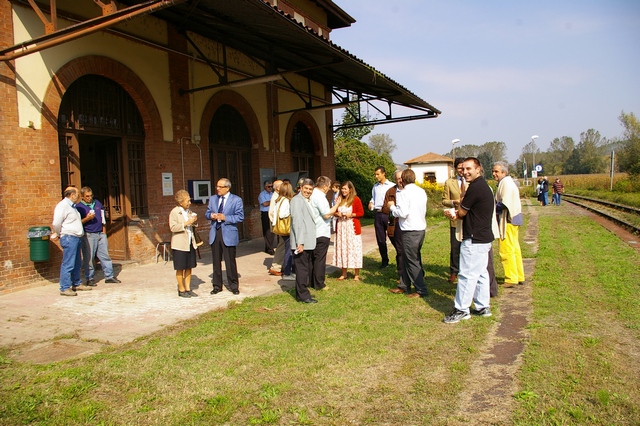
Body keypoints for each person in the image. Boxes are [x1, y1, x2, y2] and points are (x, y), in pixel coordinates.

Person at [444, 157, 495, 323]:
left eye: (469, 169)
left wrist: (453, 213)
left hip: (474, 237)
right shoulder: (484, 186)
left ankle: (461, 309)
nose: (465, 172)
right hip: (483, 236)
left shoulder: (475, 188)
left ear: (478, 169)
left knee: (466, 274)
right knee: (480, 273)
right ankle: (482, 306)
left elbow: (463, 212)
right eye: (463, 169)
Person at [388, 169, 428, 298]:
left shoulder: (404, 193)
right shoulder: (421, 191)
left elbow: (403, 213)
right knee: (407, 258)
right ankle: (404, 285)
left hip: (409, 230)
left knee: (412, 260)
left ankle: (421, 289)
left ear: (403, 180)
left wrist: (392, 207)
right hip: (420, 228)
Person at [51, 186, 92, 296]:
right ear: (72, 195)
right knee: (68, 262)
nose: (78, 196)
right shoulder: (62, 206)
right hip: (69, 237)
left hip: (76, 237)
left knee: (77, 262)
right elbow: (56, 223)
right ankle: (64, 287)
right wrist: (59, 233)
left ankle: (76, 283)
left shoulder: (72, 207)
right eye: (77, 194)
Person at [205, 178, 244, 295]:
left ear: (227, 188)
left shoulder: (236, 200)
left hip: (228, 232)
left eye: (220, 187)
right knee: (216, 261)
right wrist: (210, 215)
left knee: (229, 261)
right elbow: (206, 213)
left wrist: (225, 217)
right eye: (217, 186)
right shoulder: (213, 199)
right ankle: (217, 285)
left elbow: (240, 217)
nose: (218, 189)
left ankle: (233, 285)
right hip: (215, 232)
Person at [76, 186, 120, 286]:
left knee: (105, 255)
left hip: (100, 233)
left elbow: (103, 217)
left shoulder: (97, 203)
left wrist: (103, 230)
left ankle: (109, 276)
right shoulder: (79, 207)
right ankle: (90, 278)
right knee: (89, 257)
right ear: (82, 196)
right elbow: (77, 223)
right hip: (88, 234)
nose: (89, 198)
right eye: (87, 196)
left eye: (91, 195)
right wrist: (87, 219)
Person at [493, 162, 525, 287]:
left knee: (506, 249)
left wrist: (492, 207)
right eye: (493, 171)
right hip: (515, 219)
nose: (494, 174)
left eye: (497, 171)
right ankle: (519, 275)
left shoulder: (505, 183)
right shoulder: (508, 182)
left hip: (508, 220)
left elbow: (504, 203)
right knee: (515, 248)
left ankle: (511, 278)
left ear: (504, 172)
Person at [290, 179, 319, 303]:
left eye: (310, 189)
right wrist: (300, 242)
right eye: (306, 188)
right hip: (301, 242)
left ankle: (302, 293)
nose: (308, 191)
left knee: (305, 268)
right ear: (301, 187)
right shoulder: (297, 200)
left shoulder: (305, 200)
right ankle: (303, 296)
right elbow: (297, 223)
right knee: (302, 269)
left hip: (307, 241)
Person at [309, 176, 340, 290]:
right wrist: (337, 205)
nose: (329, 189)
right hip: (321, 231)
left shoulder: (312, 194)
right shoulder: (320, 197)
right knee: (319, 259)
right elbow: (326, 214)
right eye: (329, 186)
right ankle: (319, 283)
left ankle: (311, 281)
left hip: (313, 231)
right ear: (325, 186)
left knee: (313, 258)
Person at [169, 190, 199, 298]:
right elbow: (173, 227)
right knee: (180, 267)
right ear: (181, 202)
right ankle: (181, 289)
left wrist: (194, 221)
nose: (189, 202)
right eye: (188, 200)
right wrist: (186, 223)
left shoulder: (189, 211)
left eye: (190, 200)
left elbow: (193, 225)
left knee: (189, 266)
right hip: (179, 244)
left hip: (190, 242)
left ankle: (188, 288)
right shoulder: (174, 212)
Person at [333, 181, 364, 280]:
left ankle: (356, 274)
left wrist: (352, 214)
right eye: (342, 188)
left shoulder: (356, 199)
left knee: (354, 248)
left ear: (350, 189)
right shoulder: (339, 199)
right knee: (343, 248)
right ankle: (344, 273)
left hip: (351, 227)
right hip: (342, 227)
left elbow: (361, 212)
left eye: (345, 189)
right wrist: (337, 214)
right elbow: (334, 211)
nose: (343, 190)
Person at [442, 158, 466, 284]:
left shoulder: (470, 182)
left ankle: (465, 270)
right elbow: (444, 200)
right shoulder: (449, 182)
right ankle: (454, 271)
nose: (462, 171)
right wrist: (453, 202)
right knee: (455, 246)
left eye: (464, 168)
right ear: (455, 168)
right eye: (460, 168)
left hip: (469, 219)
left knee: (467, 246)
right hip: (455, 219)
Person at [382, 170, 406, 292]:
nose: (400, 180)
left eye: (402, 178)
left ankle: (414, 274)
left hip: (408, 225)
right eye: (397, 178)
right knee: (400, 251)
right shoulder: (390, 191)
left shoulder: (410, 191)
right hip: (395, 226)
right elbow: (384, 208)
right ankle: (402, 276)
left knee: (410, 251)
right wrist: (392, 208)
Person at [369, 166, 395, 268]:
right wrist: (371, 203)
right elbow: (373, 198)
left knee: (393, 237)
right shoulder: (375, 187)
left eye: (378, 174)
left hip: (388, 214)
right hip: (378, 214)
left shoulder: (392, 186)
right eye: (375, 174)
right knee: (380, 240)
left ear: (384, 173)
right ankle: (385, 261)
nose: (376, 176)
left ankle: (401, 258)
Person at [271, 181, 295, 281]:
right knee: (289, 251)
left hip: (280, 228)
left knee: (287, 249)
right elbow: (282, 215)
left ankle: (288, 271)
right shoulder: (285, 200)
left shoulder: (278, 200)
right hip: (286, 229)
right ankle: (287, 272)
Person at [268, 180, 285, 276]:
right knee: (282, 246)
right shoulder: (275, 197)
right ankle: (276, 267)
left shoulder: (279, 196)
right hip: (280, 225)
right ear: (278, 188)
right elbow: (271, 213)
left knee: (282, 245)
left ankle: (280, 265)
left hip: (280, 225)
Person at [258, 180, 275, 255]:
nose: (270, 188)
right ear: (265, 187)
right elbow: (265, 204)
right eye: (269, 186)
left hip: (272, 213)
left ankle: (267, 247)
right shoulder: (262, 194)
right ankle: (270, 248)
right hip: (265, 213)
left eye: (271, 186)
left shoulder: (272, 194)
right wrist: (273, 201)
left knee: (272, 231)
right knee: (267, 231)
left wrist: (271, 202)